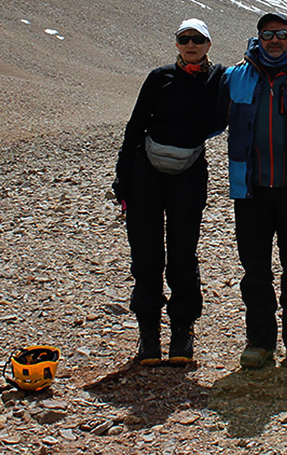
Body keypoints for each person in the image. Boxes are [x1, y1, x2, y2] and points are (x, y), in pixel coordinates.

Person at [113, 18, 225, 367]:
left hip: (189, 176)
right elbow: (136, 125)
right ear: (176, 43)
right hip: (145, 175)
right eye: (184, 39)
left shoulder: (218, 79)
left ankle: (182, 332)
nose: (191, 44)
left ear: (208, 45)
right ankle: (148, 335)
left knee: (183, 254)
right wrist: (123, 176)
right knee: (146, 254)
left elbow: (242, 83)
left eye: (198, 39)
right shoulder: (159, 77)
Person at [219, 12, 287, 369]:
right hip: (250, 190)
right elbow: (208, 117)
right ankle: (260, 342)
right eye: (268, 35)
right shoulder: (234, 77)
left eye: (281, 34)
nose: (275, 40)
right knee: (255, 270)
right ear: (258, 38)